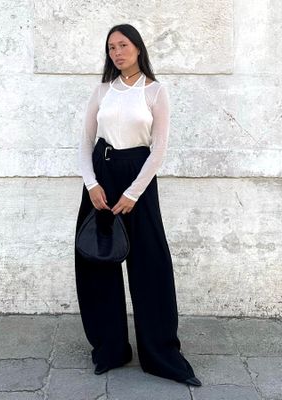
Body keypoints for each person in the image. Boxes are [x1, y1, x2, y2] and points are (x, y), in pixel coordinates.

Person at [74, 23, 202, 387]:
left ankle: (160, 353)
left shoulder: (155, 91)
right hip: (101, 174)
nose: (117, 52)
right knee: (98, 261)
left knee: (150, 264)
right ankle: (110, 348)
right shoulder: (101, 91)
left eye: (123, 45)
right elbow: (85, 142)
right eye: (111, 47)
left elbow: (158, 148)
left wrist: (133, 193)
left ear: (138, 48)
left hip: (138, 178)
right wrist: (92, 183)